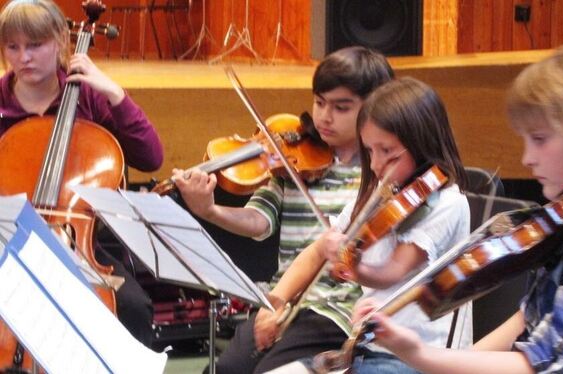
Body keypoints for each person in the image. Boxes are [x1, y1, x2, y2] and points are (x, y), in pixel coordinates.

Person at [350, 43, 563, 373]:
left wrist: (419, 354)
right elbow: (527, 321)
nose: (527, 158)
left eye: (540, 139)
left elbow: (549, 366)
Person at [172, 46, 394, 373]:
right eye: (319, 102)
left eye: (341, 107)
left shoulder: (376, 175)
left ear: (374, 107)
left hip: (336, 311)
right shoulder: (295, 162)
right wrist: (209, 211)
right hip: (283, 298)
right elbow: (258, 221)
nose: (324, 117)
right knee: (227, 369)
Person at [265, 77, 473, 374]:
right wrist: (333, 250)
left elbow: (391, 273)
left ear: (422, 143)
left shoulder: (448, 204)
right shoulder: (381, 195)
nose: (376, 165)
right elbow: (326, 245)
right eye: (370, 151)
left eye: (388, 152)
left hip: (418, 356)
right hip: (367, 346)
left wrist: (354, 266)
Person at [0, 0, 163, 348]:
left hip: (83, 241)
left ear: (61, 40)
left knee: (131, 308)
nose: (23, 57)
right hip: (8, 239)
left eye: (35, 45)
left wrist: (116, 95)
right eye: (12, 47)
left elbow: (151, 157)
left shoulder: (89, 95)